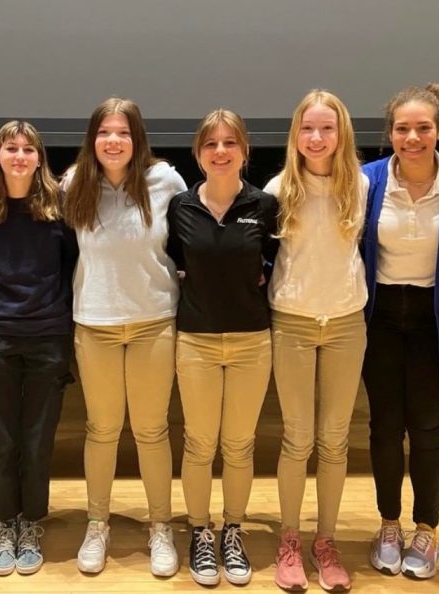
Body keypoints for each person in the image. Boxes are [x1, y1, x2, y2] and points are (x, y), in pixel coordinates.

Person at [360, 82, 439, 580]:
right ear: (389, 132)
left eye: (423, 127)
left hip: (438, 316)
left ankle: (426, 529)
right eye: (402, 128)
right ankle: (389, 525)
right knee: (385, 427)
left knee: (427, 428)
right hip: (382, 315)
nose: (412, 137)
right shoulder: (368, 180)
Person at [63, 97, 187, 576]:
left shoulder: (165, 181)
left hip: (154, 321)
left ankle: (160, 527)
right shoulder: (74, 184)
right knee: (102, 430)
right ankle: (98, 523)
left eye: (122, 133)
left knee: (152, 430)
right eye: (104, 132)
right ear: (92, 139)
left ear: (137, 139)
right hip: (94, 323)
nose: (113, 141)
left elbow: (187, 241)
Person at [166, 109, 278, 586]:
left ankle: (232, 529)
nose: (220, 151)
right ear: (198, 154)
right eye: (210, 143)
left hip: (253, 340)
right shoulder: (179, 207)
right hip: (195, 341)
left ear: (244, 151)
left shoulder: (265, 206)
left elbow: (274, 266)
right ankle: (199, 531)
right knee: (198, 443)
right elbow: (175, 263)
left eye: (230, 142)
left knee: (238, 444)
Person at [265, 91, 367, 593]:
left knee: (334, 440)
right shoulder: (279, 187)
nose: (318, 138)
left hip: (347, 323)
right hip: (293, 324)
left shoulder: (362, 185)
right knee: (297, 438)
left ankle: (325, 542)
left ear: (341, 133)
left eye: (327, 128)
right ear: (296, 135)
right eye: (308, 128)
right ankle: (289, 540)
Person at [0, 120, 78, 576]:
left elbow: (72, 270)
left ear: (39, 159)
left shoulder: (59, 211)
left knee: (37, 438)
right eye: (10, 148)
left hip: (47, 336)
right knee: (3, 440)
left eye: (28, 149)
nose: (19, 156)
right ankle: (5, 522)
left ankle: (31, 521)